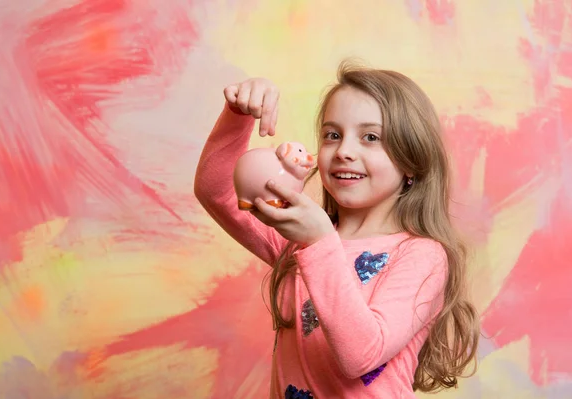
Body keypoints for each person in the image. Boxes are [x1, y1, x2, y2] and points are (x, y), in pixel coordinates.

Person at [194, 60, 479, 398]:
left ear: (411, 162)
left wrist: (318, 241)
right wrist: (239, 114)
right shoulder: (298, 239)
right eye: (332, 135)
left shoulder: (422, 256)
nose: (344, 151)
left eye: (370, 137)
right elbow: (217, 193)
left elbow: (361, 356)